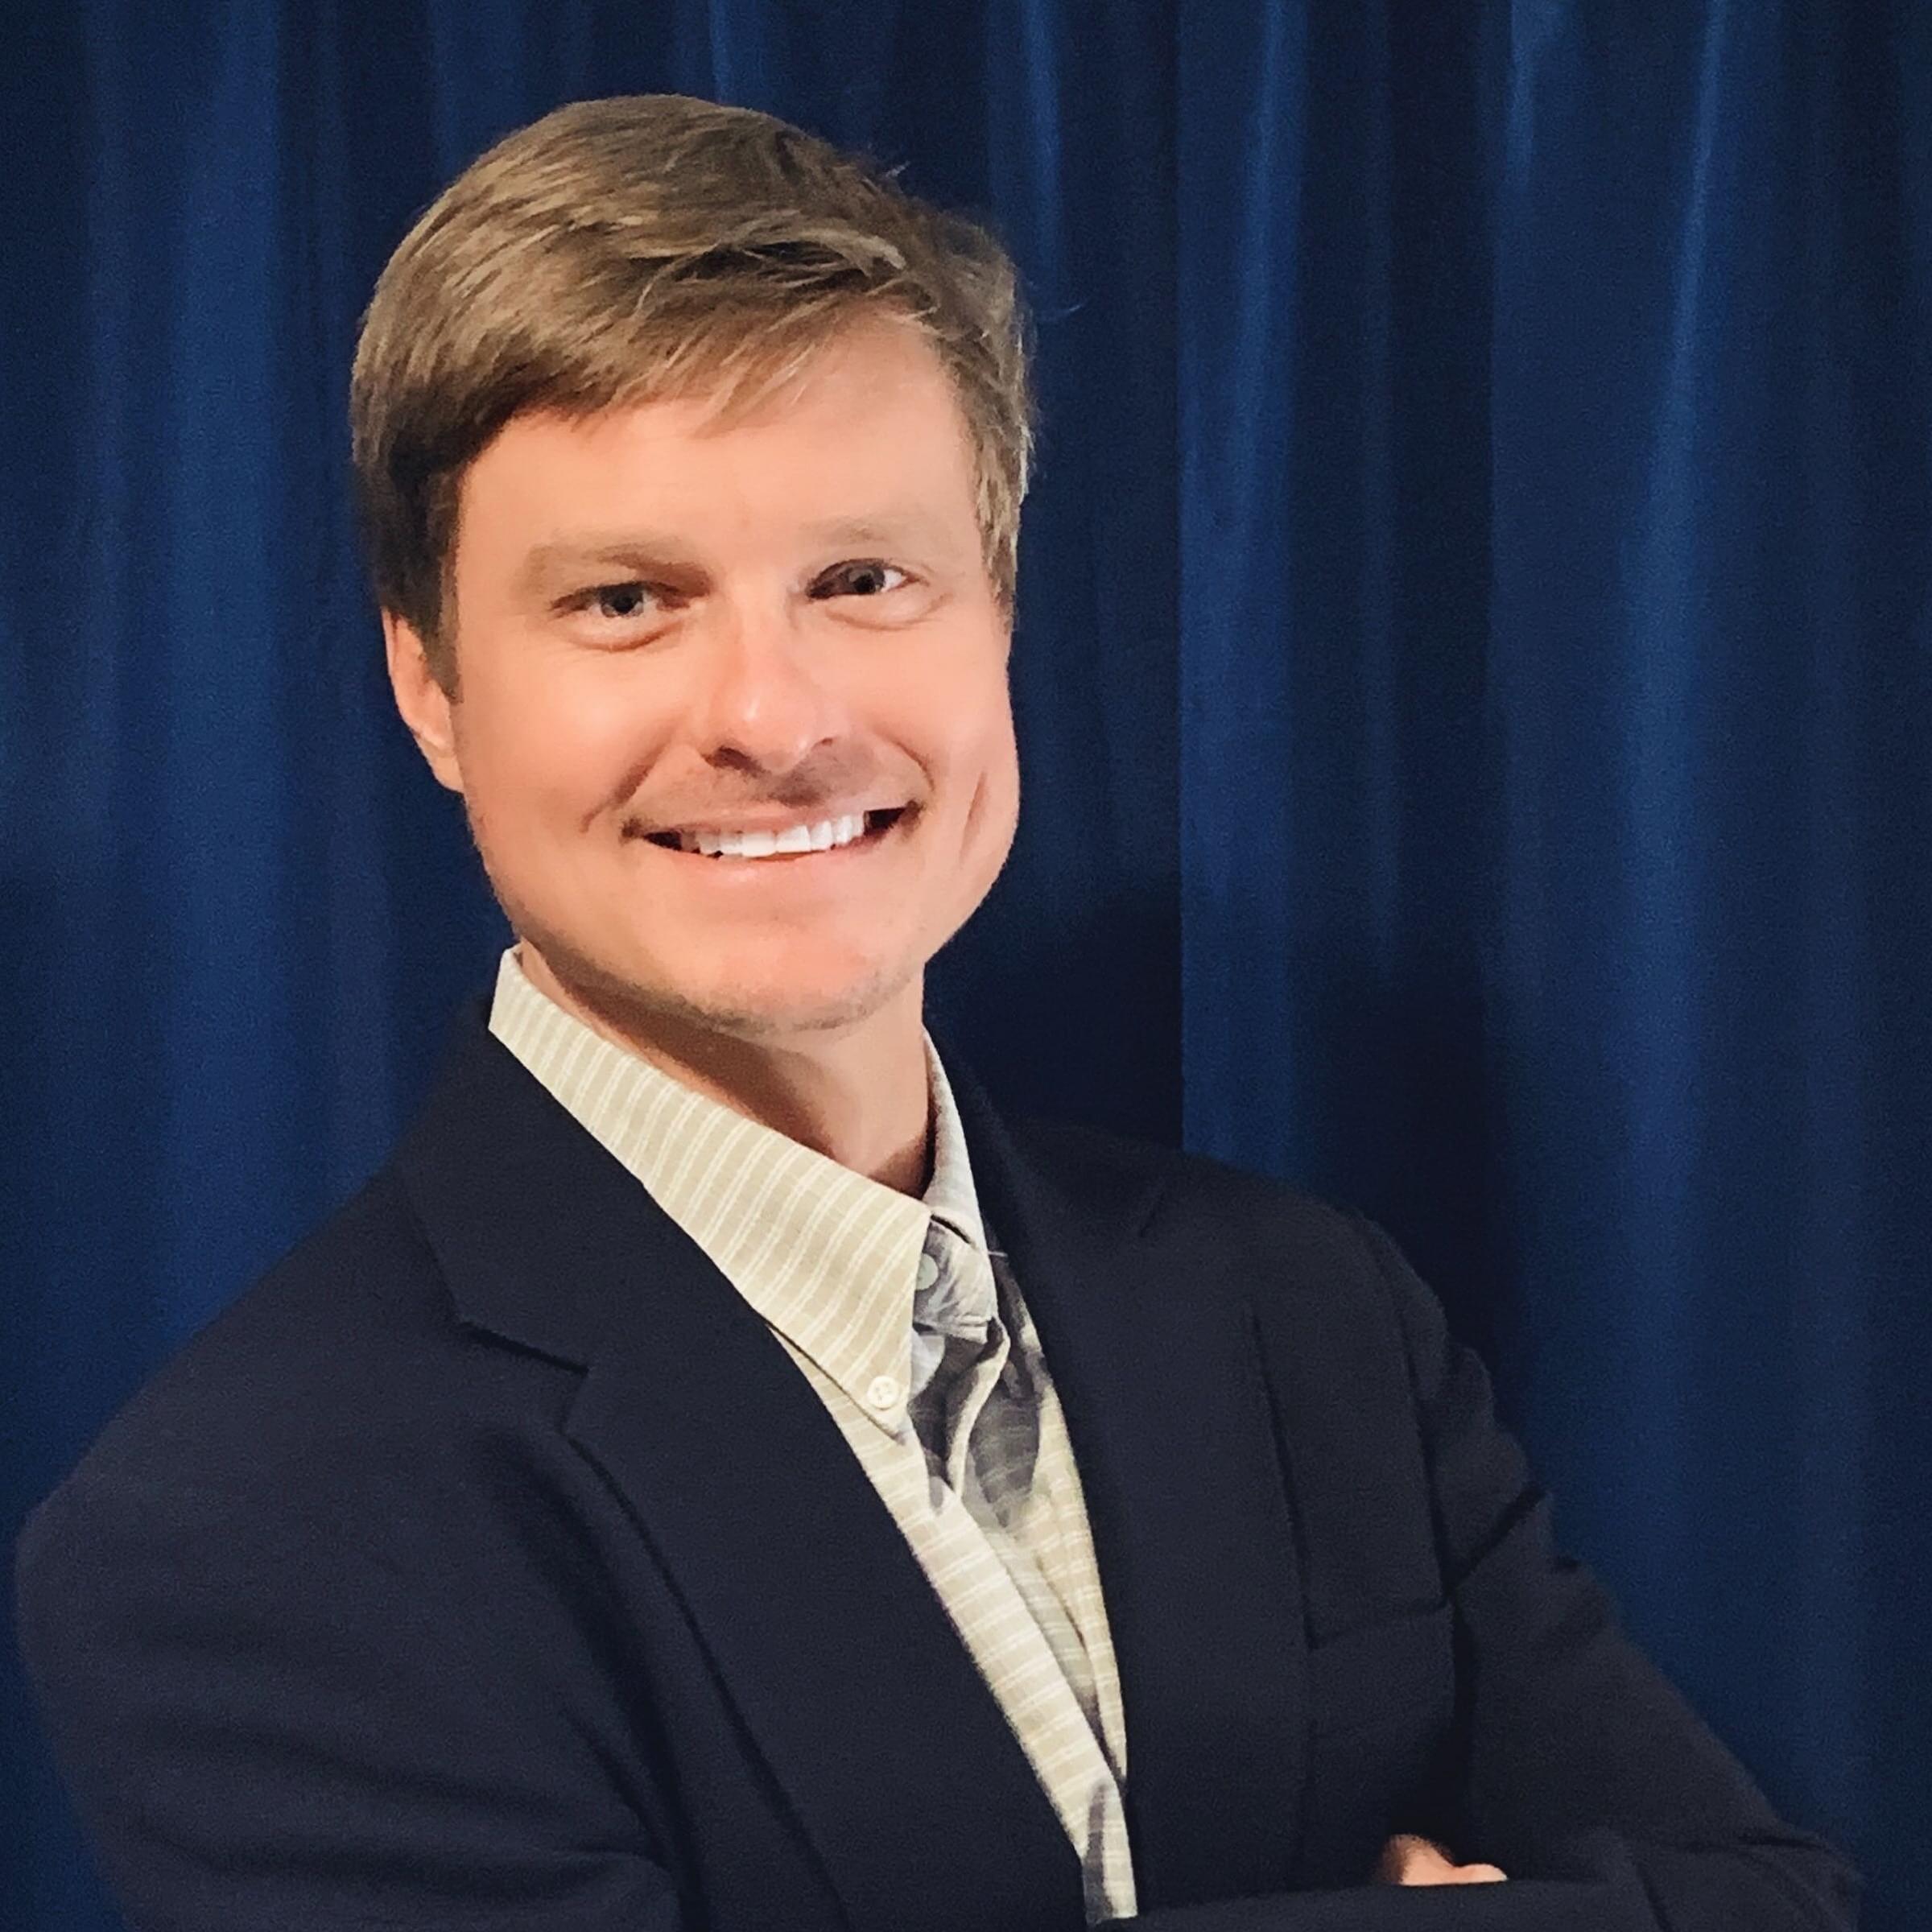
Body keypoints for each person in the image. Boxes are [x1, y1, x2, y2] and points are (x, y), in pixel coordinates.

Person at [16, 95, 1856, 1932]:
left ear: (1000, 618)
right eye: (627, 600)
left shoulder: (1306, 1311)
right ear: (431, 687)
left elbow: (1771, 1904)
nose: (775, 716)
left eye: (863, 580)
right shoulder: (245, 1526)